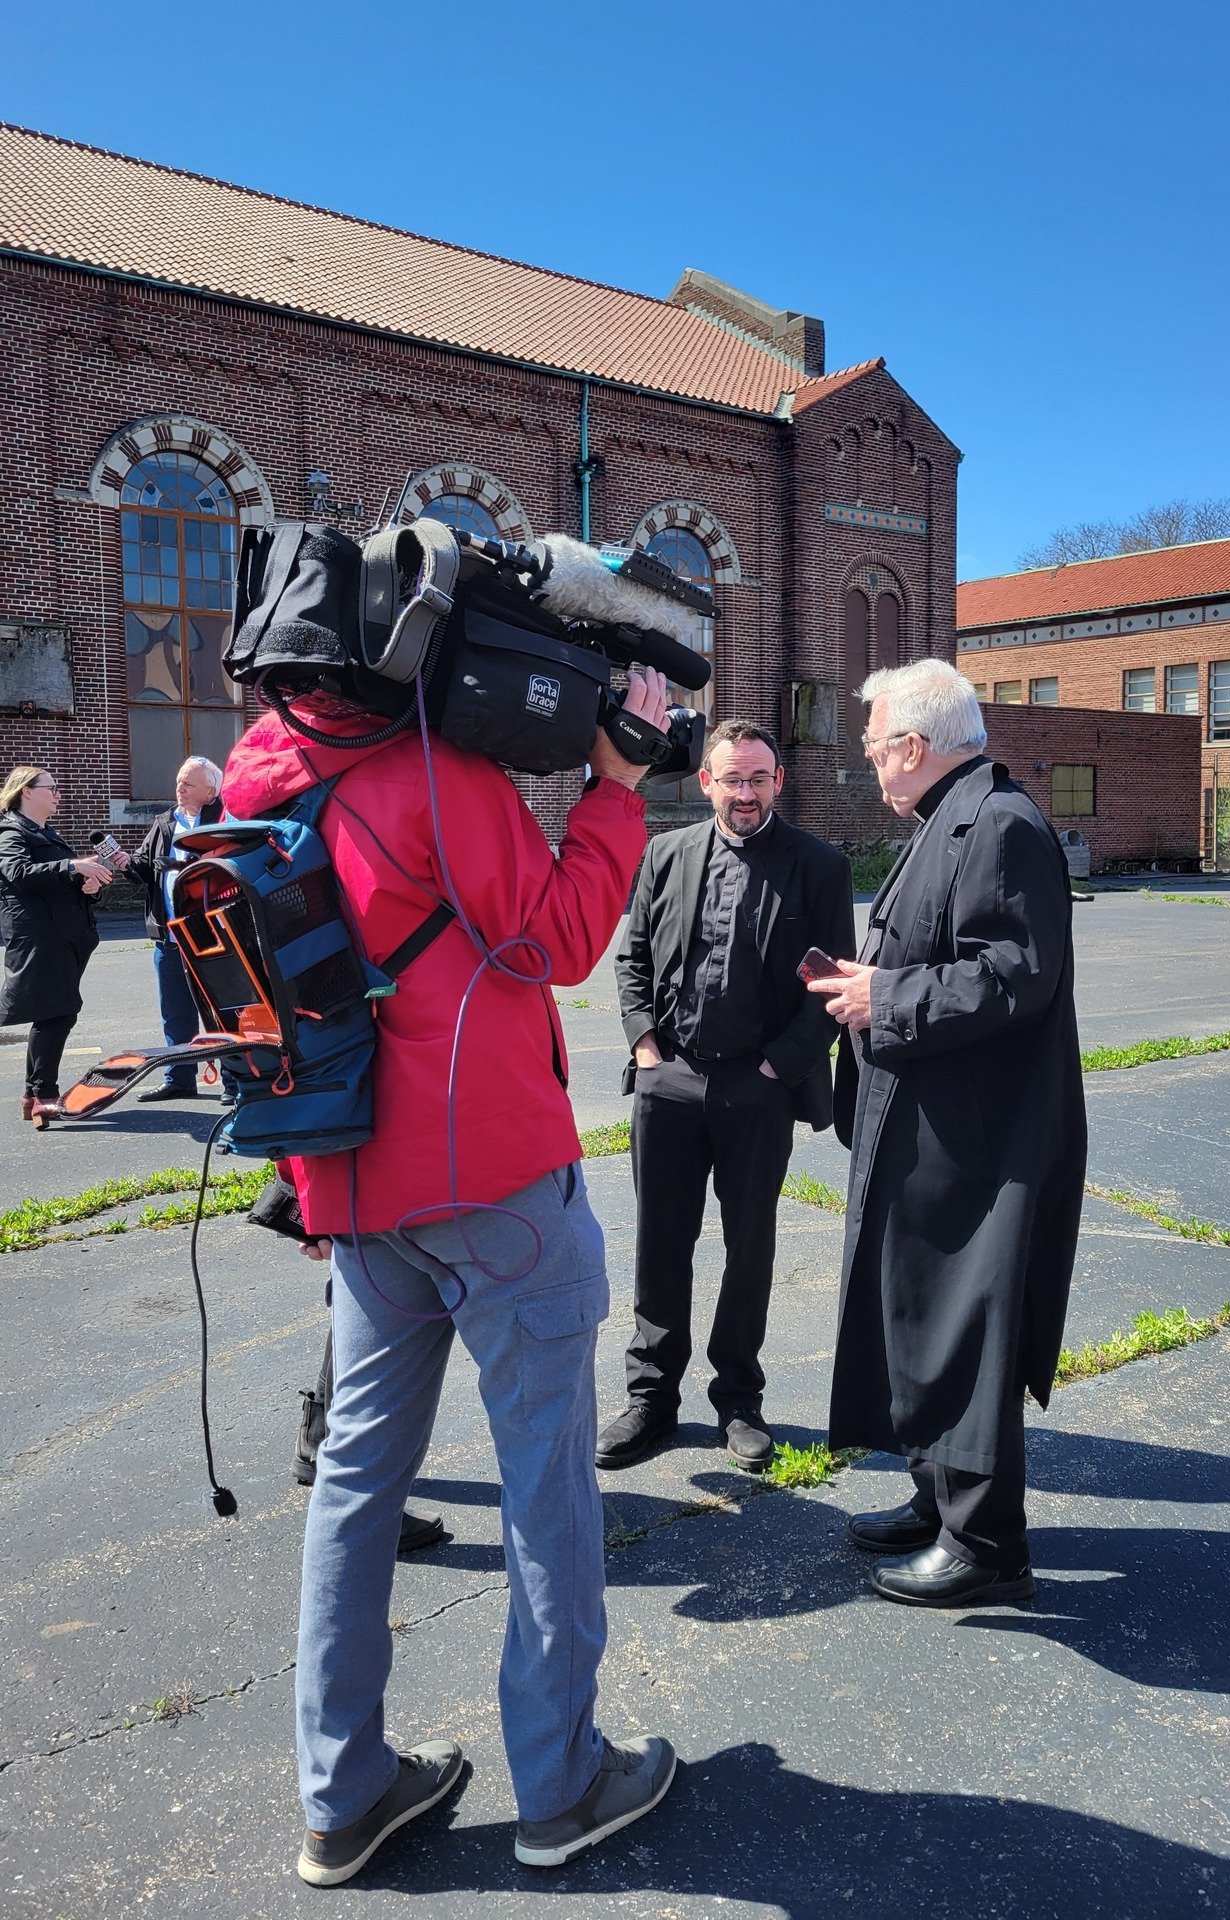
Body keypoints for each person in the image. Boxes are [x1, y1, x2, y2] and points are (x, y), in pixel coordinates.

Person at [220, 667, 677, 1885]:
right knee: (544, 1481)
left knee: (356, 1486)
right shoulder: (436, 772)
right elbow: (563, 937)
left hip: (352, 1181)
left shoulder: (265, 768)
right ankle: (562, 1783)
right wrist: (615, 789)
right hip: (494, 1180)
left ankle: (343, 1795)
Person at [806, 660, 1086, 1608]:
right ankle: (936, 1499)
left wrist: (886, 993)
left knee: (969, 1334)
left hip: (978, 1142)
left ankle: (987, 1543)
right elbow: (948, 956)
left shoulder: (1000, 823)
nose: (871, 760)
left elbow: (1015, 973)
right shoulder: (951, 816)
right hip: (929, 1130)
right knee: (919, 1321)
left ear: (915, 748)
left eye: (877, 743)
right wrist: (869, 980)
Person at [600, 721, 854, 1472]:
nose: (745, 794)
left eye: (758, 780)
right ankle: (651, 1400)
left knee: (749, 1247)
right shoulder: (665, 853)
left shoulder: (819, 866)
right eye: (731, 780)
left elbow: (831, 981)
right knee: (659, 1243)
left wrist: (781, 1067)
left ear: (779, 782)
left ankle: (739, 1401)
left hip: (759, 1084)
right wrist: (645, 1043)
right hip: (669, 1078)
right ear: (705, 783)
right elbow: (633, 954)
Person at [0, 766, 113, 1129]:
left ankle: (34, 1095)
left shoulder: (44, 831)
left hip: (64, 936)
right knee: (58, 1012)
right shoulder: (10, 830)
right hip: (40, 937)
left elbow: (58, 882)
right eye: (52, 788)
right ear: (26, 792)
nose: (58, 794)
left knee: (54, 1013)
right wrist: (72, 865)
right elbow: (18, 873)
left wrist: (88, 886)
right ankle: (43, 1093)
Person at [118, 755, 229, 1102]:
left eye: (188, 783)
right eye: (179, 781)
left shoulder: (225, 818)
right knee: (176, 1015)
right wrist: (124, 861)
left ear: (210, 790)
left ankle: (237, 1083)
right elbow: (143, 867)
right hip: (169, 936)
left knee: (222, 1013)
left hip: (212, 935)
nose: (179, 788)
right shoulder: (165, 821)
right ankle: (179, 1078)